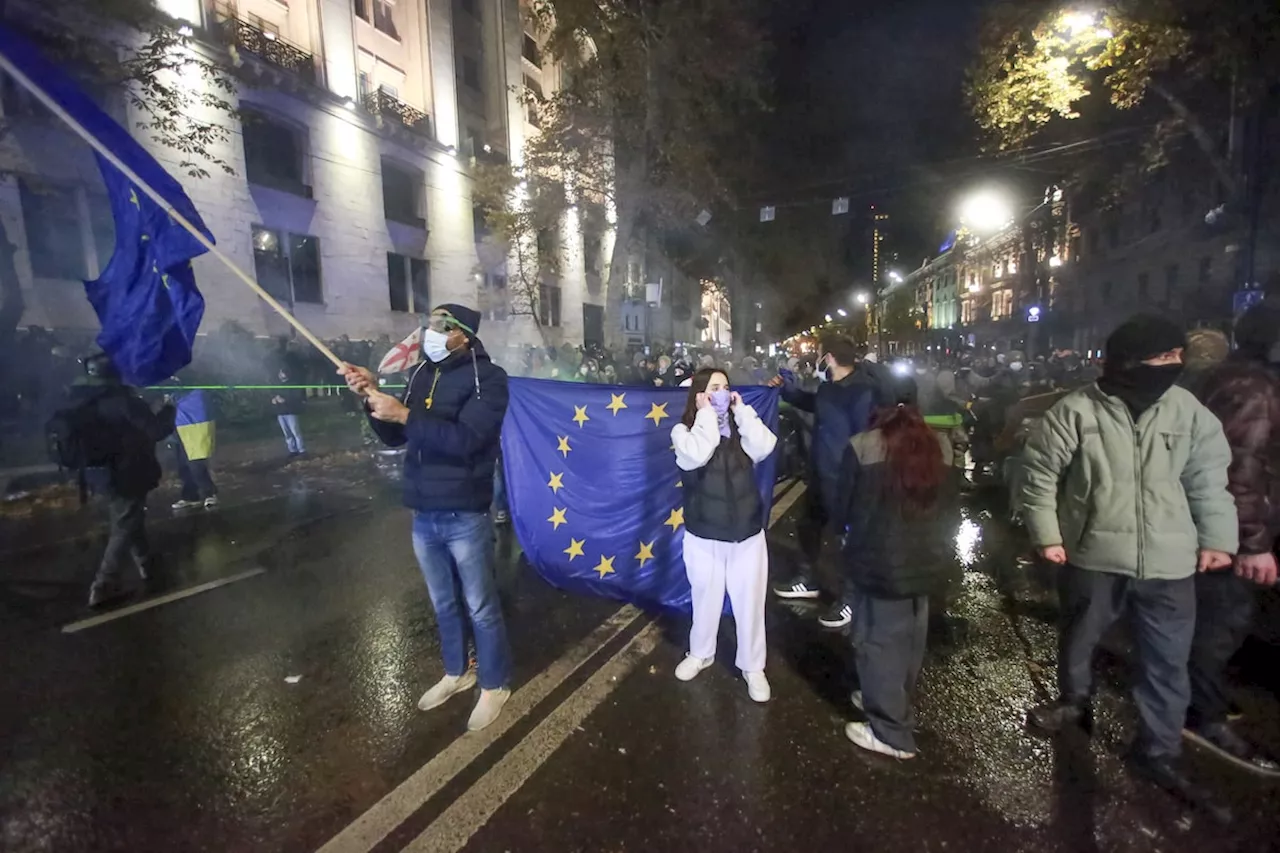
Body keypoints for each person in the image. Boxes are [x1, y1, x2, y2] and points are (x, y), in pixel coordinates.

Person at [1020, 315, 1238, 812]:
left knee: (1166, 661)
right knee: (1080, 636)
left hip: (1170, 562)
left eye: (1176, 357)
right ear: (1128, 361)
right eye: (1162, 357)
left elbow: (1209, 483)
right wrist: (1047, 536)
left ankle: (1159, 750)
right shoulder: (1076, 411)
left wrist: (1218, 539)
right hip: (1094, 554)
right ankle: (1074, 702)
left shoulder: (1189, 413)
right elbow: (1039, 477)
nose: (1174, 365)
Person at [340, 303, 512, 732]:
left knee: (480, 606)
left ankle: (495, 684)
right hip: (423, 511)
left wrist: (405, 414)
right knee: (442, 602)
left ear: (463, 335)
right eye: (429, 323)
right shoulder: (422, 373)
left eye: (440, 325)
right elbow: (397, 436)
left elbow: (468, 440)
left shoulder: (488, 379)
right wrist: (372, 398)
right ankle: (457, 671)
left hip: (464, 512)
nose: (429, 332)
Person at [1185, 303, 1280, 776]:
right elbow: (1239, 466)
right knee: (1220, 621)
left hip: (1218, 524)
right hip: (1227, 529)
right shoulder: (1254, 391)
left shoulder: (1235, 379)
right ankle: (1202, 715)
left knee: (1215, 618)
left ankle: (1201, 696)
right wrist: (1251, 542)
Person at [838, 380, 950, 759]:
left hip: (880, 562)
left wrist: (842, 540)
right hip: (927, 559)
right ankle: (891, 699)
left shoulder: (863, 446)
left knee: (877, 641)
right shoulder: (941, 444)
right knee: (911, 638)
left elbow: (845, 507)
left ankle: (890, 732)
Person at [671, 368, 778, 701]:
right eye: (714, 388)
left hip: (746, 534)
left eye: (726, 388)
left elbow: (765, 445)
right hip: (704, 535)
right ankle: (700, 653)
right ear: (700, 394)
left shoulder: (740, 427)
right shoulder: (683, 432)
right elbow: (697, 455)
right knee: (706, 599)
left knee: (749, 604)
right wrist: (706, 415)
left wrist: (741, 411)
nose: (721, 393)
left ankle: (752, 666)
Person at [768, 336, 876, 629]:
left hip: (844, 479)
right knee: (808, 526)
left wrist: (861, 479)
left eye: (819, 355)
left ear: (828, 358)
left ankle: (851, 600)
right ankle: (808, 579)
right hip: (819, 474)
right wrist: (786, 389)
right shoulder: (829, 388)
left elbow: (866, 440)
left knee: (847, 540)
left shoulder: (862, 392)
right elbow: (812, 403)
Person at [55, 354, 175, 608]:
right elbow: (156, 430)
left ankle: (148, 565)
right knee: (124, 525)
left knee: (129, 518)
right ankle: (103, 585)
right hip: (127, 472)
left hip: (99, 473)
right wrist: (168, 409)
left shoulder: (83, 398)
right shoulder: (125, 401)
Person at [169, 383, 218, 510]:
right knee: (182, 463)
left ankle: (209, 493)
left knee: (195, 462)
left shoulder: (191, 378)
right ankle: (190, 496)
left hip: (195, 422)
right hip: (179, 423)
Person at [273, 369, 306, 456]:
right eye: (279, 372)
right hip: (281, 413)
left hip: (291, 412)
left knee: (296, 432)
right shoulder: (278, 385)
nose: (280, 374)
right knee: (287, 433)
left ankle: (302, 451)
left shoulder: (293, 385)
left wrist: (285, 400)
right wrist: (274, 400)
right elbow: (274, 395)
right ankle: (292, 450)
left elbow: (297, 398)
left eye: (282, 372)